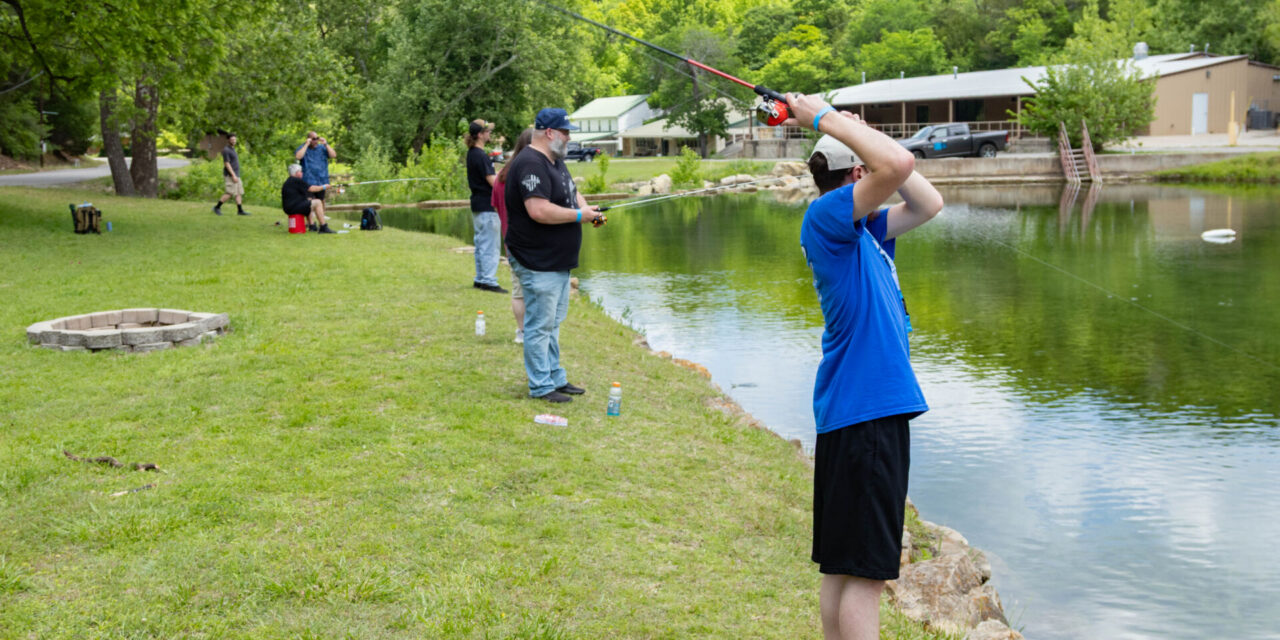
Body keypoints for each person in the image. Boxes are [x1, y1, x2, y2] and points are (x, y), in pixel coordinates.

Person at [786, 93, 944, 640]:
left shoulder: (865, 235)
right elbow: (899, 166)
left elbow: (928, 204)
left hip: (854, 413)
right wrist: (824, 119)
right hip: (868, 415)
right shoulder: (830, 217)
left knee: (845, 565)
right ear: (858, 173)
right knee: (867, 576)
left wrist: (851, 128)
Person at [504, 108, 605, 403]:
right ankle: (540, 385)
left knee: (552, 322)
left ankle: (554, 377)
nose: (569, 137)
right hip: (537, 261)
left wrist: (591, 213)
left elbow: (573, 194)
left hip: (556, 262)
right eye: (566, 132)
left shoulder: (555, 161)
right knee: (539, 324)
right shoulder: (531, 164)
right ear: (550, 133)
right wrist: (578, 216)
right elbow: (538, 210)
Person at [492, 127, 534, 343]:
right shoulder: (528, 174)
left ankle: (521, 332)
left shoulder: (502, 175)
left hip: (509, 240)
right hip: (528, 241)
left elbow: (496, 206)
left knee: (518, 290)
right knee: (532, 290)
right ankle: (533, 332)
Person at [466, 118, 507, 293]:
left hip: (478, 204)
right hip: (487, 206)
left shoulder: (472, 153)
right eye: (488, 131)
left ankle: (481, 279)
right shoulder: (480, 155)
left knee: (481, 243)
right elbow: (492, 182)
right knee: (490, 244)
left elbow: (488, 175)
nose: (490, 133)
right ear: (480, 135)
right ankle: (489, 281)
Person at [281, 163, 335, 234]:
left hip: (289, 208)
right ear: (297, 173)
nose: (302, 173)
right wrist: (324, 187)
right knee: (318, 202)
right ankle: (323, 227)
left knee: (309, 201)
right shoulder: (296, 180)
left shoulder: (288, 182)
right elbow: (311, 188)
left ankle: (311, 225)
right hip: (294, 208)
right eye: (300, 171)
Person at [294, 131, 336, 209]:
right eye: (314, 139)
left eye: (317, 138)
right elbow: (298, 157)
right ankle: (310, 219)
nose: (316, 141)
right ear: (309, 139)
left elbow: (333, 155)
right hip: (308, 180)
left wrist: (326, 144)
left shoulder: (322, 148)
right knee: (309, 200)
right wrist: (306, 144)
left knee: (321, 199)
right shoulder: (303, 147)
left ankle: (322, 217)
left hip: (321, 179)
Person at [213, 134, 250, 216]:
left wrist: (236, 175)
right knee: (230, 193)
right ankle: (217, 207)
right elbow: (227, 164)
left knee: (238, 193)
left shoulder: (232, 149)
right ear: (228, 140)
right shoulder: (226, 150)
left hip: (236, 175)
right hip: (230, 175)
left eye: (235, 139)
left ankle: (240, 211)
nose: (234, 141)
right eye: (232, 139)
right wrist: (233, 175)